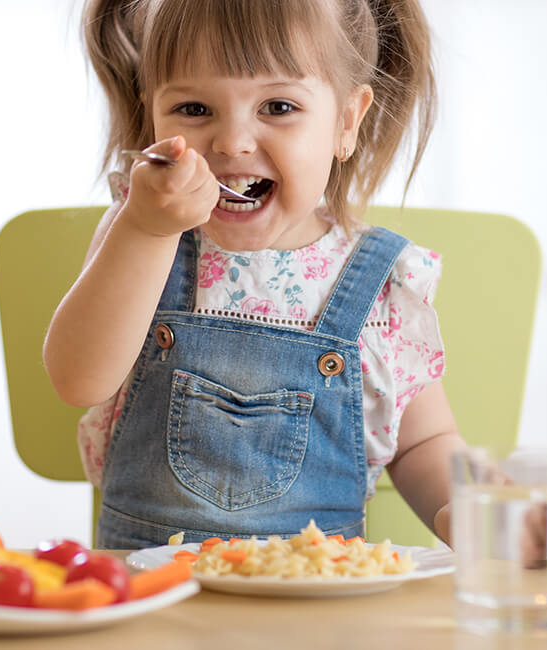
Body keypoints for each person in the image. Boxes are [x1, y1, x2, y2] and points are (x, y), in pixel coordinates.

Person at [45, 0, 467, 550]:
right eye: (194, 108)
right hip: (153, 594)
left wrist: (465, 510)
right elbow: (78, 380)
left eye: (278, 106)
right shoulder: (140, 236)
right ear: (153, 117)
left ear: (345, 122)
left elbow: (422, 442)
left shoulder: (383, 285)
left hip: (314, 592)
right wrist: (145, 230)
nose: (231, 142)